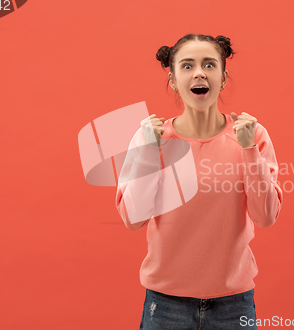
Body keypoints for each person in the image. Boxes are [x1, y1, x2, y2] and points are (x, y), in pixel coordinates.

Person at [115, 33, 283, 330]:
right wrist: (149, 151)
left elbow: (266, 216)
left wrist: (248, 150)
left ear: (223, 77)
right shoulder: (151, 138)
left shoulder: (252, 136)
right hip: (166, 303)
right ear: (173, 79)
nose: (199, 73)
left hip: (234, 302)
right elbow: (132, 218)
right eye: (188, 66)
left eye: (209, 64)